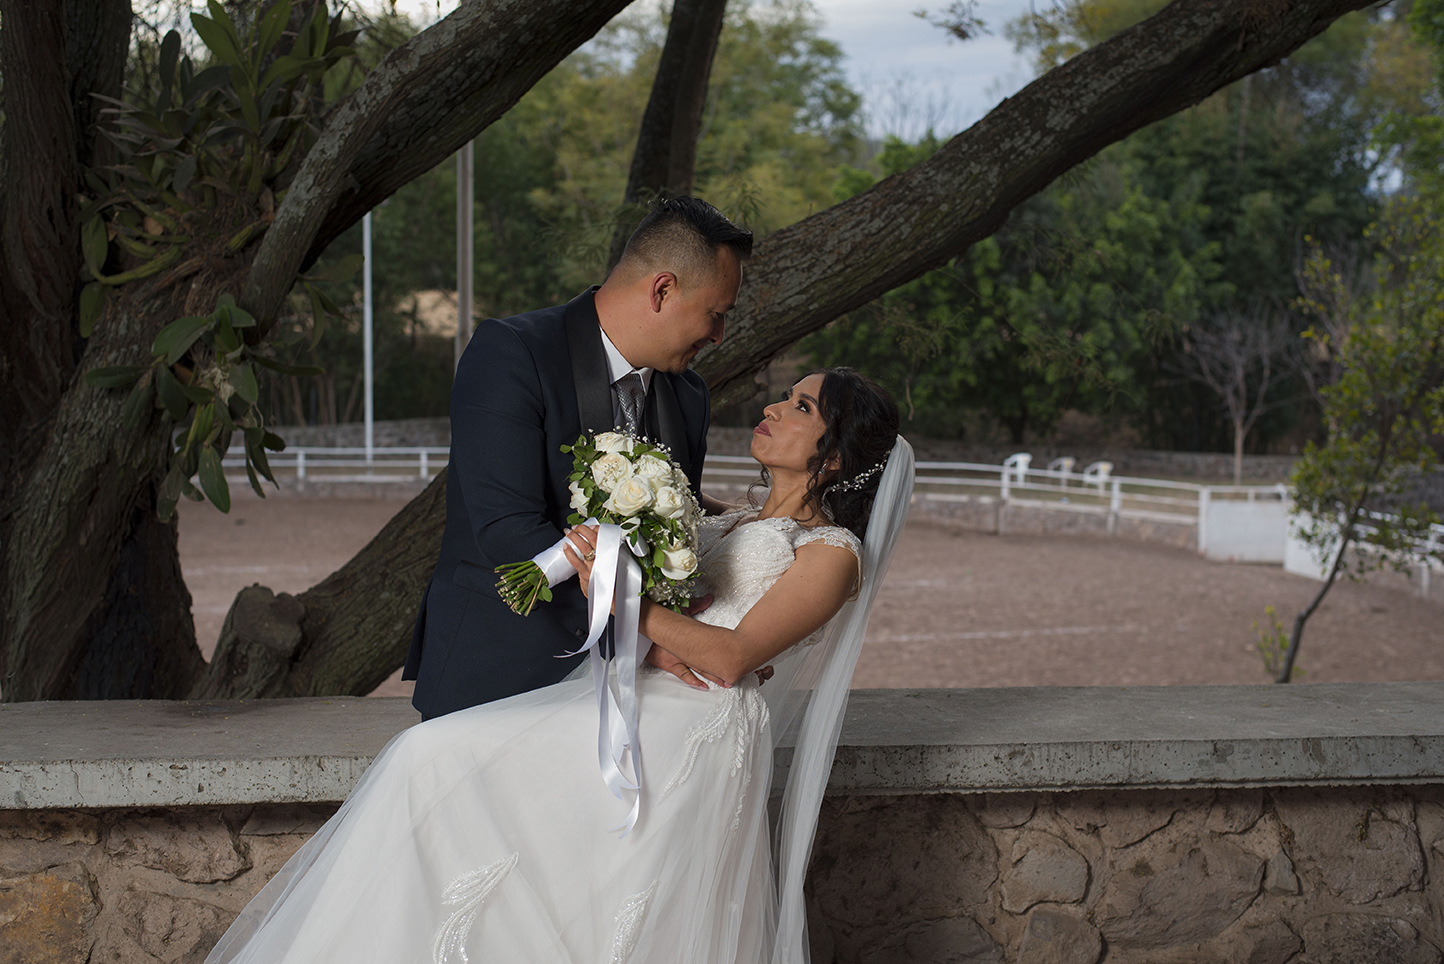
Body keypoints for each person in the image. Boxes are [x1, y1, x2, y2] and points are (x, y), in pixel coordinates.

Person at [205, 368, 914, 964]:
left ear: (835, 459)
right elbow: (665, 597)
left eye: (801, 407)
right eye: (783, 396)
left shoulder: (833, 555)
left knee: (474, 791)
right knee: (429, 762)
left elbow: (731, 657)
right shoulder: (725, 520)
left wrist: (612, 594)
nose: (773, 407)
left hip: (690, 729)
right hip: (628, 694)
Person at [404, 197, 753, 720]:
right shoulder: (512, 353)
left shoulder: (689, 395)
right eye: (716, 314)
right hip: (502, 668)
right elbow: (507, 529)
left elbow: (669, 510)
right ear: (662, 290)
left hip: (633, 691)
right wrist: (643, 635)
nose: (720, 335)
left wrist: (748, 520)